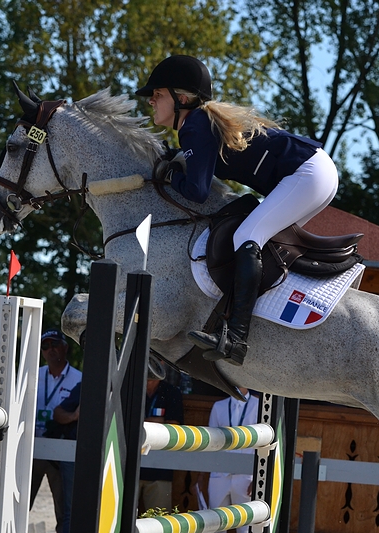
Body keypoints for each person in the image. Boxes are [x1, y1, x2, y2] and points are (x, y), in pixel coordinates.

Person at [136, 55, 339, 366]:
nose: (151, 100)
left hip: (306, 173)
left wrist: (167, 174)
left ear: (183, 98)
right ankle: (265, 326)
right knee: (263, 246)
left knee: (247, 235)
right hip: (314, 171)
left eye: (158, 94)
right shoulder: (198, 124)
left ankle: (236, 338)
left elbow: (197, 192)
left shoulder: (195, 125)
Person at [30, 330, 82, 533]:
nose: (50, 349)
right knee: (19, 504)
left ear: (65, 347)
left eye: (55, 344)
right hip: (31, 446)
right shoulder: (32, 375)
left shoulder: (79, 378)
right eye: (45, 346)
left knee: (64, 509)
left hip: (60, 450)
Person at [196, 388, 259, 533]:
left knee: (245, 527)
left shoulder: (259, 405)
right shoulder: (219, 406)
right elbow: (209, 444)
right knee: (215, 526)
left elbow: (262, 445)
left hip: (245, 476)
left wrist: (257, 477)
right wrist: (201, 476)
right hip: (219, 475)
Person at [138, 377, 184, 514]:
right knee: (118, 519)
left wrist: (141, 421)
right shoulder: (130, 385)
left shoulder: (171, 392)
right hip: (129, 468)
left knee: (158, 521)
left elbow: (174, 426)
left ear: (163, 363)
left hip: (160, 469)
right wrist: (160, 421)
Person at [50, 381, 81, 533]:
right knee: (70, 510)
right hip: (73, 453)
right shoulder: (84, 385)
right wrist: (75, 416)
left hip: (107, 455)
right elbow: (58, 413)